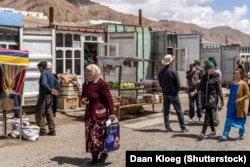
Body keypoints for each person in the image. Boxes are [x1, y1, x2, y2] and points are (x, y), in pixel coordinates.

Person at [81, 64, 116, 166]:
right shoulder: (85, 84)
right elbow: (83, 96)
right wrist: (83, 100)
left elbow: (109, 99)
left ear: (95, 72)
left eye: (89, 71)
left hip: (100, 116)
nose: (87, 73)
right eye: (86, 71)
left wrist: (112, 113)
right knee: (90, 137)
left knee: (98, 137)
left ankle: (104, 154)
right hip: (89, 116)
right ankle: (94, 158)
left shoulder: (101, 83)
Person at [190, 61, 224, 140]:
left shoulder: (216, 76)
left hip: (213, 98)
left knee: (207, 114)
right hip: (206, 98)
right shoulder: (204, 77)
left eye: (214, 68)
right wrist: (194, 92)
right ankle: (213, 131)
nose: (213, 70)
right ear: (207, 69)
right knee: (210, 115)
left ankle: (203, 133)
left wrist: (222, 99)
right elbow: (199, 86)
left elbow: (219, 88)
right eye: (211, 68)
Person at [158, 54, 189, 133]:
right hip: (173, 94)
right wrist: (176, 90)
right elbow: (178, 83)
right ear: (171, 62)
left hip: (165, 93)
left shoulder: (161, 72)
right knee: (178, 110)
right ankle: (183, 127)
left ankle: (167, 127)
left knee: (166, 111)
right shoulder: (173, 71)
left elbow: (160, 83)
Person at [219, 69, 249, 141]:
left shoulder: (244, 84)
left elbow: (248, 94)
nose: (235, 76)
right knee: (228, 120)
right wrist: (228, 103)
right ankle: (225, 135)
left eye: (237, 74)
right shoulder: (233, 84)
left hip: (239, 106)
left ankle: (241, 135)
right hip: (231, 106)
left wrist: (240, 99)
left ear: (240, 75)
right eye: (234, 74)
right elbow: (231, 95)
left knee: (241, 121)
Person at [35, 61, 59, 136]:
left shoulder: (44, 73)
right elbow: (57, 85)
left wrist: (50, 90)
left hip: (43, 97)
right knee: (49, 113)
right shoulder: (52, 74)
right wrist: (53, 89)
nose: (38, 69)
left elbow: (44, 84)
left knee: (39, 113)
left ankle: (42, 130)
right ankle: (52, 130)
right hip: (50, 98)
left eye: (39, 67)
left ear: (42, 67)